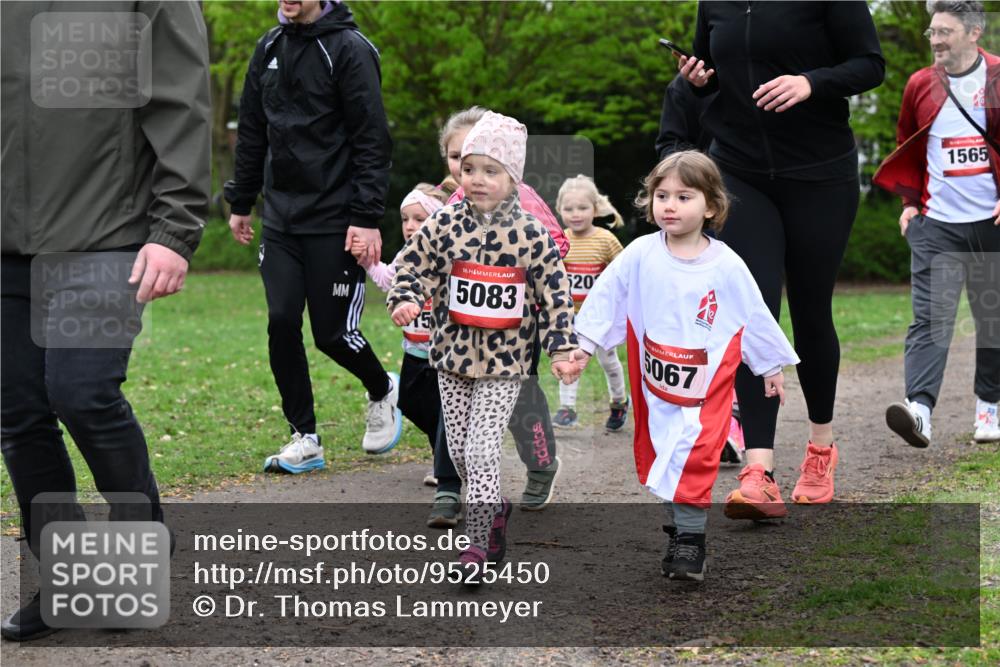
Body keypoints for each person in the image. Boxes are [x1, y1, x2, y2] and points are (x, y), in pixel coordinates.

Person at [0, 0, 211, 641]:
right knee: (19, 413)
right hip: (8, 241)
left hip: (106, 232)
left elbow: (181, 102)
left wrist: (175, 229)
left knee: (82, 392)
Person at [678, 0, 885, 515]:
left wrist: (811, 82)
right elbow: (709, 75)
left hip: (820, 172)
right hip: (740, 170)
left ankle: (820, 448)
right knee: (752, 314)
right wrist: (698, 82)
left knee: (811, 312)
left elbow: (870, 65)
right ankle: (759, 470)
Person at [573, 151, 798, 581]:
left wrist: (770, 366)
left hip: (705, 385)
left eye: (683, 196)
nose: (669, 206)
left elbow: (752, 315)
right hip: (656, 384)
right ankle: (679, 525)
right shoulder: (640, 254)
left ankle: (691, 542)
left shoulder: (726, 264)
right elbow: (606, 298)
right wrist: (584, 346)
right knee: (664, 453)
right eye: (662, 196)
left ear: (710, 206)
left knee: (694, 452)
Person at [387, 111, 579, 583]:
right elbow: (412, 265)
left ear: (513, 177)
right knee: (457, 451)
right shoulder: (444, 223)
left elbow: (556, 295)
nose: (476, 179)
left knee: (481, 449)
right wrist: (407, 298)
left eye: (490, 170)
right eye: (469, 168)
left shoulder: (531, 233)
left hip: (505, 363)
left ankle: (477, 542)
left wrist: (560, 348)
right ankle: (492, 510)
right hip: (451, 357)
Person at [224, 0, 401, 472]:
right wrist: (242, 201)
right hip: (281, 218)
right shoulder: (268, 46)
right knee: (281, 320)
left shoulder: (350, 48)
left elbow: (372, 138)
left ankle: (383, 388)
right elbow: (253, 130)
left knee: (333, 335)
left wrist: (366, 216)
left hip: (337, 219)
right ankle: (304, 436)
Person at [873, 1, 1000, 447]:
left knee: (992, 318)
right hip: (937, 224)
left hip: (991, 223)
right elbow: (909, 142)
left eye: (945, 31)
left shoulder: (997, 77)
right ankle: (919, 412)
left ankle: (990, 406)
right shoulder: (920, 84)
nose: (936, 40)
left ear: (974, 33)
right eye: (932, 31)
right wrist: (910, 201)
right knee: (930, 319)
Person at [434, 106, 569, 510]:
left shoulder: (523, 199)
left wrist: (514, 270)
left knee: (523, 401)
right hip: (461, 329)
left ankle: (541, 464)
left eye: (483, 162)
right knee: (455, 402)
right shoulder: (453, 206)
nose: (471, 172)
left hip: (514, 328)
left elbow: (556, 247)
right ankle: (449, 486)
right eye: (459, 159)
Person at [357, 184, 466, 527]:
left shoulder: (450, 254)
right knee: (412, 403)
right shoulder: (407, 255)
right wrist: (368, 262)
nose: (410, 225)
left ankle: (446, 466)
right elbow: (389, 281)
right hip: (414, 351)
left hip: (446, 356)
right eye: (405, 219)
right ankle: (447, 454)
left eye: (419, 218)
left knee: (447, 414)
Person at [656, 74, 745, 466]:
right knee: (688, 330)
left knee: (725, 325)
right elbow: (667, 146)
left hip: (741, 211)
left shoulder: (752, 78)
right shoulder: (682, 89)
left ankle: (733, 422)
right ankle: (692, 421)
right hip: (691, 223)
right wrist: (687, 186)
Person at [551, 175, 630, 432]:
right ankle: (567, 409)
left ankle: (619, 402)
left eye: (582, 208)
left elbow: (624, 272)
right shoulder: (560, 241)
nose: (575, 214)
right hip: (570, 316)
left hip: (600, 317)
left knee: (608, 361)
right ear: (559, 210)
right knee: (570, 357)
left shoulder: (606, 240)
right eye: (569, 209)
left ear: (595, 209)